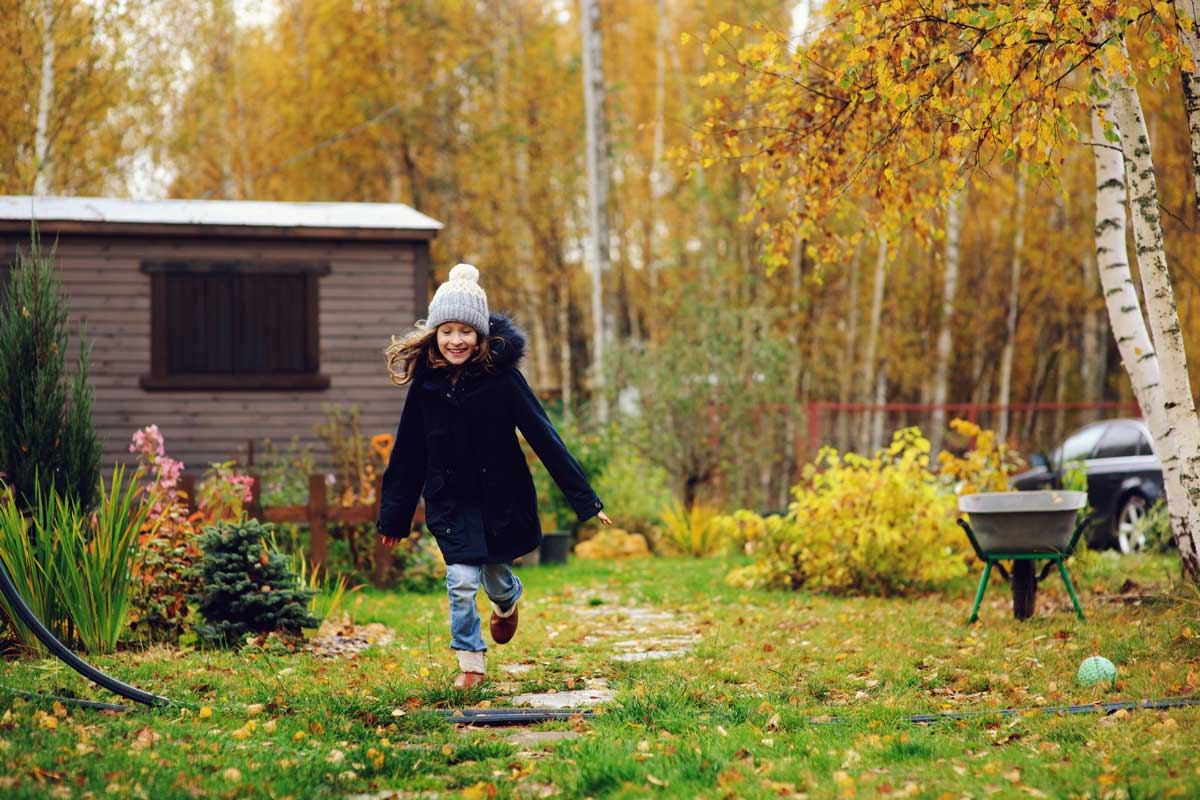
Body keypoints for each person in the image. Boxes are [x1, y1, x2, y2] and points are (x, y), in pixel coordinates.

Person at [376, 263, 612, 689]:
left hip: (500, 499)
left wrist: (587, 501)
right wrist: (394, 516)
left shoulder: (503, 380)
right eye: (446, 331)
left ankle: (507, 601)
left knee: (495, 578)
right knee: (461, 580)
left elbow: (545, 437)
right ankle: (470, 662)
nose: (456, 340)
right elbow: (408, 452)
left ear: (481, 335)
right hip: (451, 500)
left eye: (465, 331)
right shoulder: (426, 386)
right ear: (434, 334)